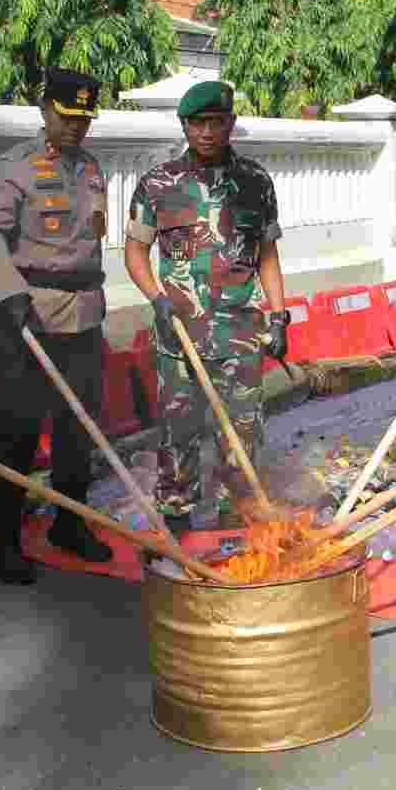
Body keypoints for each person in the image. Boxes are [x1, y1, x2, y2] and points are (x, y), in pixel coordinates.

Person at [124, 81, 289, 532]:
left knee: (242, 432)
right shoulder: (157, 184)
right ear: (185, 126)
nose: (207, 132)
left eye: (216, 122)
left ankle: (238, 518)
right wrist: (156, 298)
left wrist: (278, 316)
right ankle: (176, 518)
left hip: (240, 332)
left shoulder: (255, 182)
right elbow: (135, 252)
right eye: (198, 123)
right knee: (178, 432)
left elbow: (268, 256)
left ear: (230, 124)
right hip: (179, 335)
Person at [0, 68, 116, 584]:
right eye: (67, 115)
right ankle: (5, 539)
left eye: (84, 118)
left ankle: (70, 523)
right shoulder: (14, 167)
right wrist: (10, 292)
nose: (76, 127)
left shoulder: (93, 168)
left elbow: (94, 239)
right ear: (44, 110)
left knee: (78, 426)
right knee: (16, 430)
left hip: (83, 312)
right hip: (28, 314)